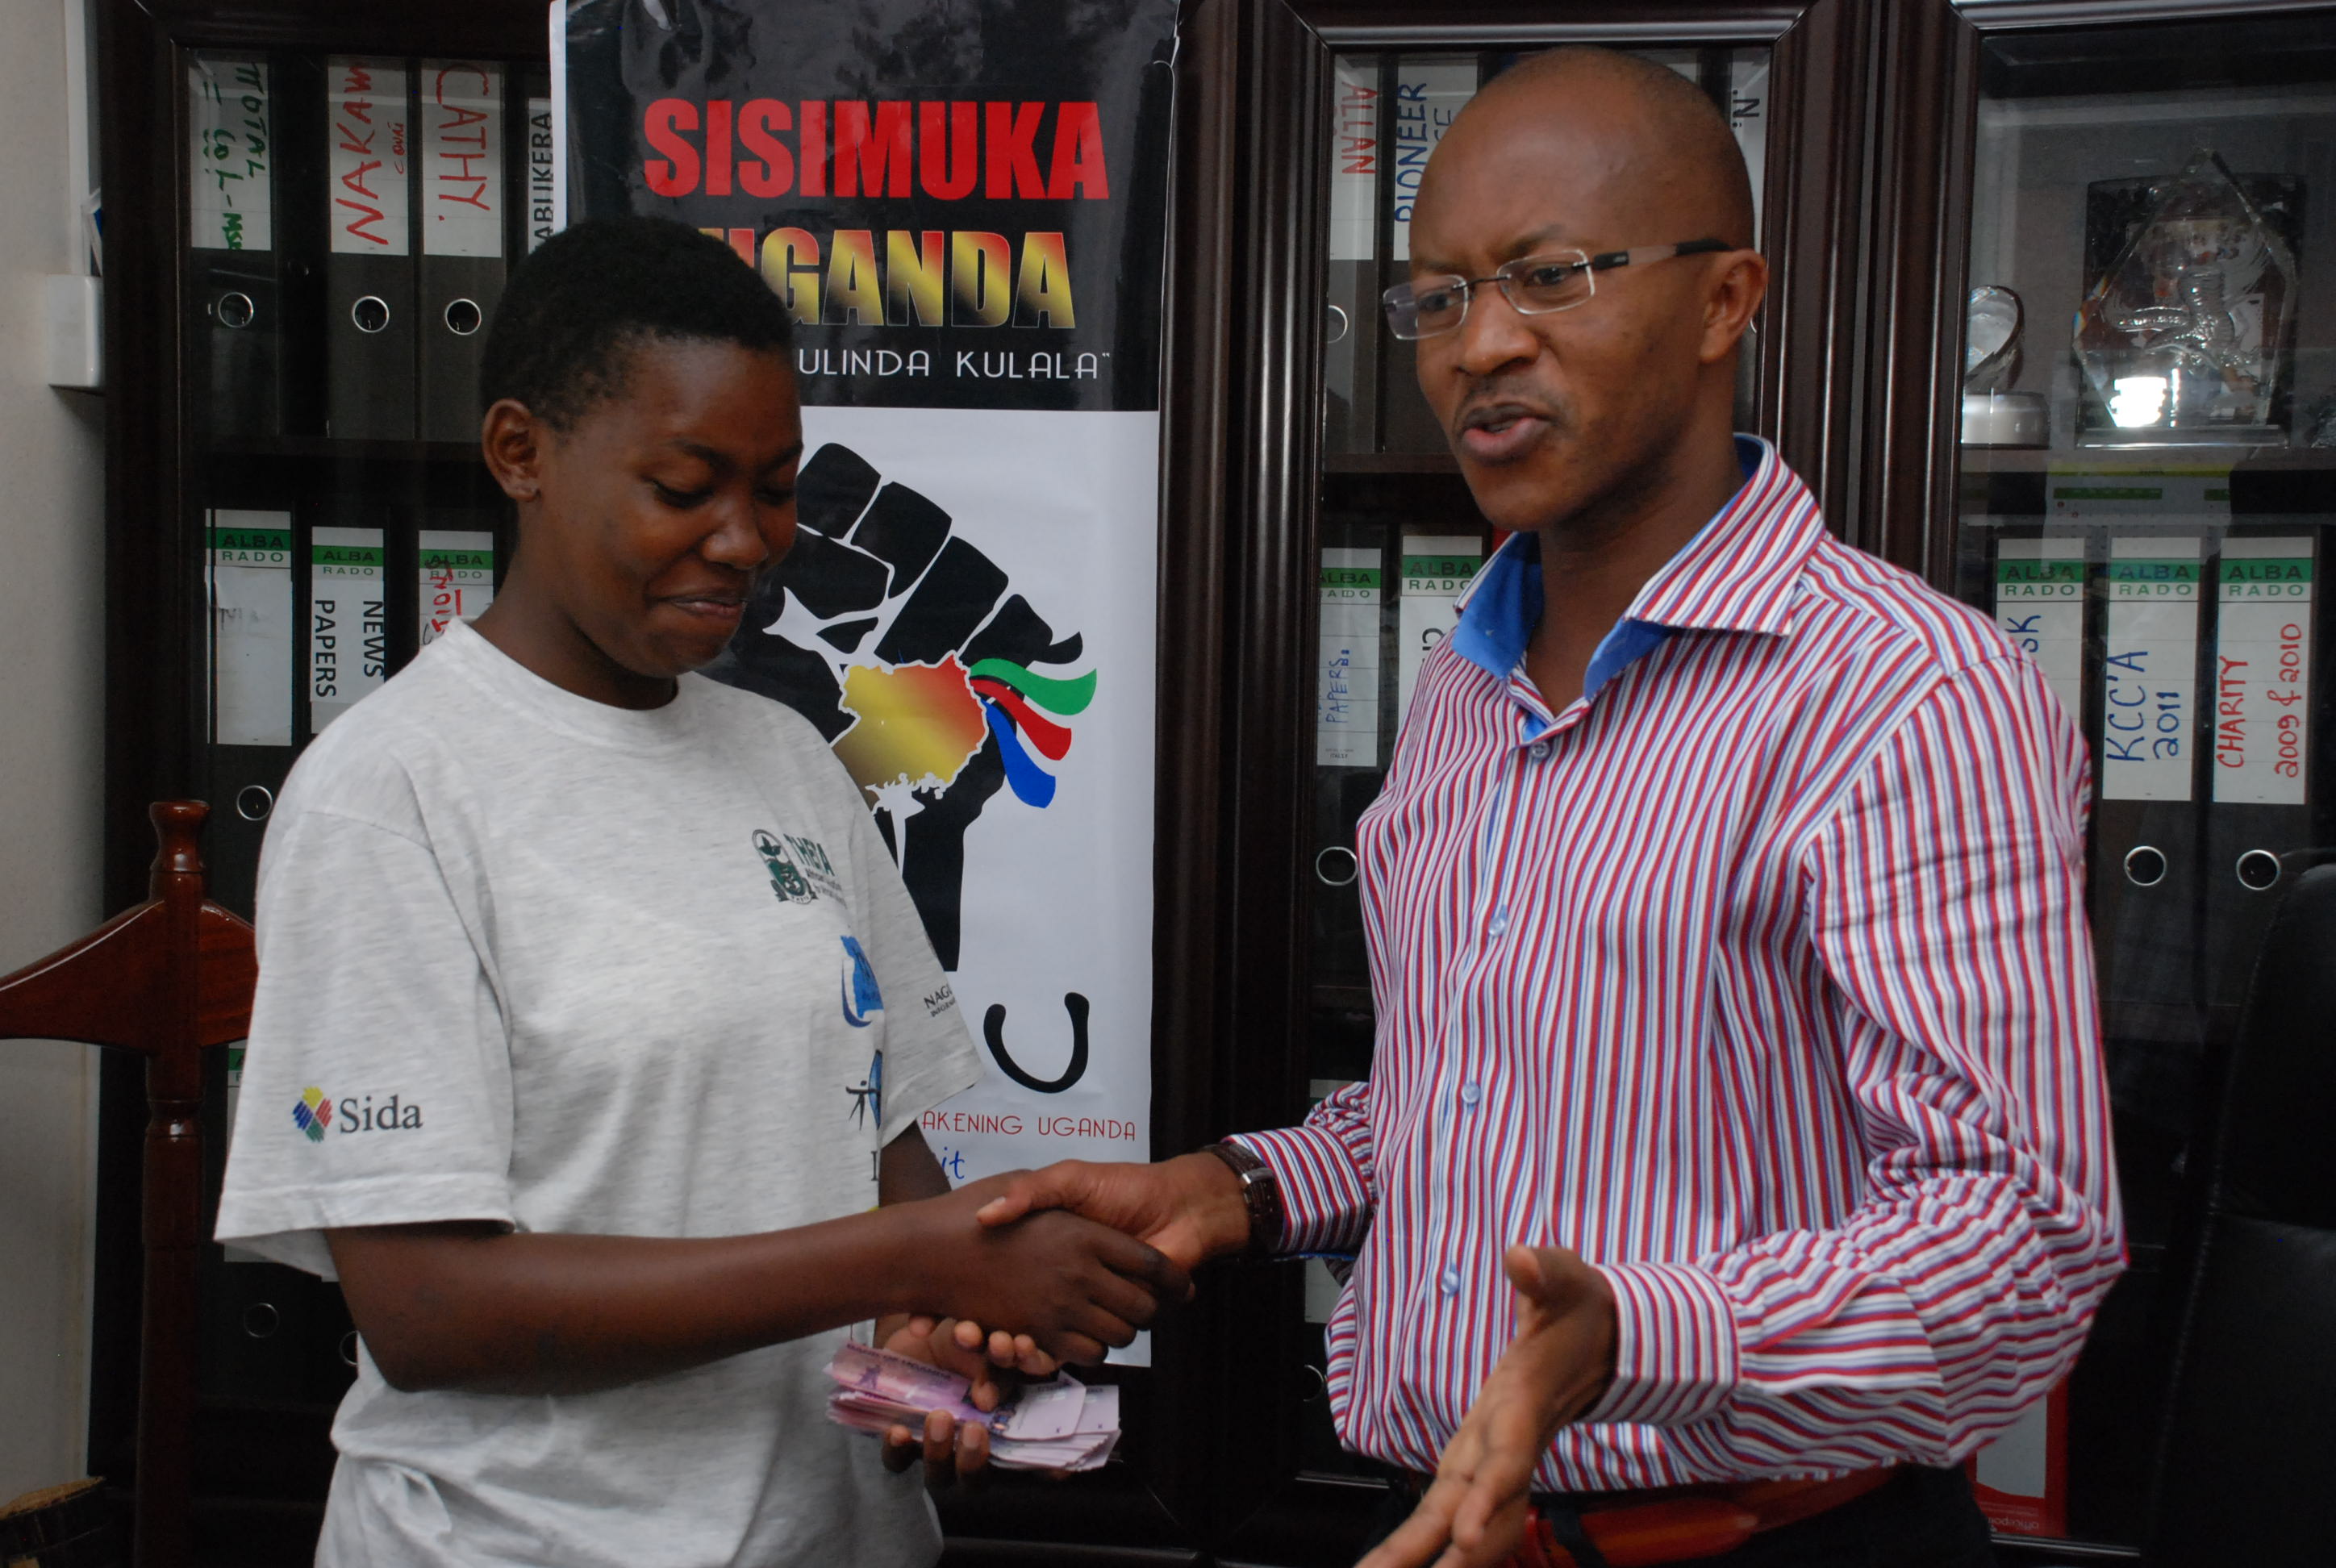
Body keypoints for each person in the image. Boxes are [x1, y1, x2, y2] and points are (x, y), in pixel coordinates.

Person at [975, 46, 2121, 1568]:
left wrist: (1633, 1333)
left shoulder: (1909, 691)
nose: (1481, 345)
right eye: (1437, 298)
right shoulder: (1466, 683)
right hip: (1439, 1522)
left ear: (1725, 300)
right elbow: (1469, 1112)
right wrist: (1235, 1188)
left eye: (1550, 277)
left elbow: (2023, 1237)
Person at [213, 216, 1187, 1568]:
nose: (746, 541)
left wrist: (931, 1341)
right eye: (685, 488)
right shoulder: (391, 793)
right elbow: (429, 1312)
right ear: (520, 453)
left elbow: (888, 1157)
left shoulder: (789, 759)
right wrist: (913, 1260)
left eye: (777, 487)